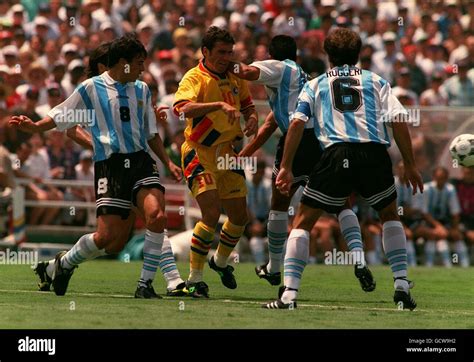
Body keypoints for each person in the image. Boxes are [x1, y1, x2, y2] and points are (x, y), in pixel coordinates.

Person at [10, 34, 183, 299]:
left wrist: (168, 161)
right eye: (138, 62)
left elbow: (151, 133)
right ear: (123, 63)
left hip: (140, 162)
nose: (143, 68)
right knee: (108, 240)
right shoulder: (91, 88)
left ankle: (149, 284)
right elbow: (62, 115)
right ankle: (62, 265)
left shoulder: (143, 89)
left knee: (156, 216)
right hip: (110, 168)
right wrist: (34, 127)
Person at [266, 28, 423, 310]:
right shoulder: (376, 81)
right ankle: (401, 285)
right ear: (359, 53)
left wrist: (286, 166)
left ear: (328, 56)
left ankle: (288, 295)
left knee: (302, 221)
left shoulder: (315, 85)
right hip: (374, 153)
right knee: (389, 214)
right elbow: (398, 119)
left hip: (336, 154)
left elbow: (297, 123)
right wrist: (409, 164)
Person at [231, 35, 375, 292]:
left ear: (271, 55)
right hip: (323, 141)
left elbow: (245, 71)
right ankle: (359, 259)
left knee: (279, 203)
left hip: (298, 141)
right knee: (341, 202)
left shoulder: (278, 66)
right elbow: (270, 123)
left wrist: (221, 60)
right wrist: (248, 151)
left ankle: (275, 268)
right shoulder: (298, 79)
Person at [172, 26, 258, 297]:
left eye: (230, 52)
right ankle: (195, 278)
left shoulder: (235, 74)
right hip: (199, 151)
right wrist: (218, 105)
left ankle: (219, 262)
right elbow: (181, 109)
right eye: (221, 52)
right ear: (205, 52)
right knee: (210, 213)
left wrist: (252, 117)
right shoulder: (194, 77)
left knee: (239, 217)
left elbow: (247, 104)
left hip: (227, 153)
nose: (227, 57)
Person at [415, 167, 468, 267]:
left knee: (457, 235)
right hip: (427, 223)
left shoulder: (450, 189)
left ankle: (464, 265)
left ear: (447, 178)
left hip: (445, 223)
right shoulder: (426, 189)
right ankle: (429, 264)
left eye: (443, 178)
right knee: (433, 235)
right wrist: (438, 227)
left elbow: (455, 212)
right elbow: (424, 213)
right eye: (438, 178)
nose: (440, 181)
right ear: (433, 177)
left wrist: (455, 228)